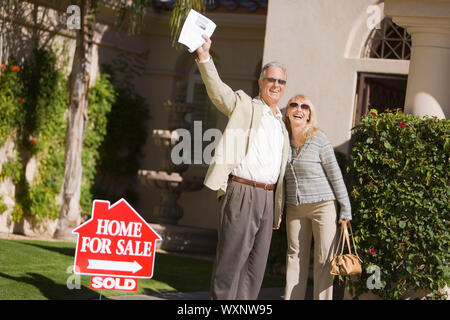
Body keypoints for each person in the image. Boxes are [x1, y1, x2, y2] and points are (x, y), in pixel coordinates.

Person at [195, 35, 290, 300]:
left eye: (281, 81)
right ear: (261, 83)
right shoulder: (245, 106)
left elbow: (279, 170)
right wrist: (204, 57)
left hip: (267, 199)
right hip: (242, 192)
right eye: (271, 79)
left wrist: (277, 206)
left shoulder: (282, 125)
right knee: (230, 265)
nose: (276, 85)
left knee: (254, 269)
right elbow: (219, 92)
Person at [283, 94, 352, 300]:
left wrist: (345, 208)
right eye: (294, 105)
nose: (299, 109)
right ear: (287, 111)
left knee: (324, 260)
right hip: (294, 207)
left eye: (305, 106)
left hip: (323, 206)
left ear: (309, 115)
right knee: (294, 257)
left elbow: (335, 174)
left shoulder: (318, 138)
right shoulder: (283, 138)